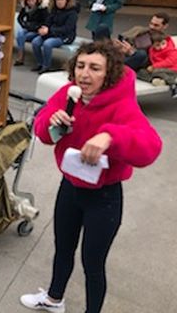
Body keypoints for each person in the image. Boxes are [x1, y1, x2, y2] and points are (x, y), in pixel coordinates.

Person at [21, 40, 162, 313]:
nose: (85, 74)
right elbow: (41, 128)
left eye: (95, 68)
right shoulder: (67, 94)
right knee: (63, 248)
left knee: (93, 263)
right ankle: (54, 299)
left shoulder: (122, 106)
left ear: (109, 74)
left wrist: (111, 135)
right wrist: (51, 122)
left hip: (104, 197)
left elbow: (151, 148)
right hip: (70, 187)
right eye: (81, 66)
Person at [31, 0, 79, 74]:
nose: (59, 2)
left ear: (66, 1)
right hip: (51, 33)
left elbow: (67, 28)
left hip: (65, 36)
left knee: (47, 44)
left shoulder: (72, 13)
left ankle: (46, 66)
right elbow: (48, 22)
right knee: (35, 42)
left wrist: (49, 31)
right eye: (57, 0)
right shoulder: (54, 11)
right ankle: (40, 63)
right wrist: (43, 28)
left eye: (62, 0)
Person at [136, 30, 177, 98]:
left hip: (172, 69)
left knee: (156, 71)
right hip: (159, 69)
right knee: (140, 72)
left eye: (163, 43)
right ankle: (155, 80)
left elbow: (170, 61)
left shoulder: (171, 49)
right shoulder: (152, 50)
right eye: (157, 45)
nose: (161, 47)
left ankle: (173, 84)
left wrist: (154, 66)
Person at [15, 0, 49, 66]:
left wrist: (36, 27)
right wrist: (24, 24)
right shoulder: (26, 8)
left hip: (37, 30)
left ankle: (21, 57)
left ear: (36, 0)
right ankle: (20, 54)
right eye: (29, 1)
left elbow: (45, 21)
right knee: (20, 33)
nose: (31, 2)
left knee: (22, 36)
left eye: (33, 0)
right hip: (28, 28)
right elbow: (20, 18)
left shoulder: (42, 9)